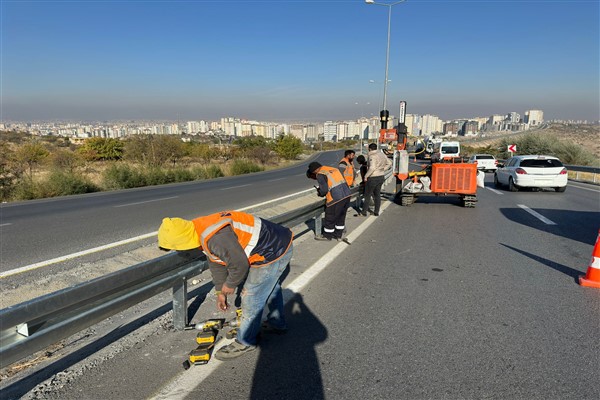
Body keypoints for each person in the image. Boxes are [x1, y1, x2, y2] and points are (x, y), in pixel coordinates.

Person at [157, 211, 293, 360]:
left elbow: (239, 265)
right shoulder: (199, 229)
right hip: (276, 242)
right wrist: (219, 291)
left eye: (177, 248)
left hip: (273, 250)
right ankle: (277, 323)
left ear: (182, 241)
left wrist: (230, 285)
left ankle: (246, 342)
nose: (179, 251)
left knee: (251, 297)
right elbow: (216, 262)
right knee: (270, 288)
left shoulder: (215, 238)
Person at [306, 161, 351, 241]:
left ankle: (327, 235)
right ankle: (338, 235)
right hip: (347, 195)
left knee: (330, 216)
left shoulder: (320, 174)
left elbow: (324, 190)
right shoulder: (332, 169)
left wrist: (320, 193)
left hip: (336, 198)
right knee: (341, 216)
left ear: (314, 171)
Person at [360, 143, 392, 217]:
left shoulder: (372, 156)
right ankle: (376, 212)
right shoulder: (382, 154)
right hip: (381, 176)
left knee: (367, 195)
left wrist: (366, 176)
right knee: (377, 195)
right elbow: (389, 163)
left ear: (370, 149)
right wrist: (382, 170)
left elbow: (372, 168)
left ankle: (363, 212)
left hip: (373, 177)